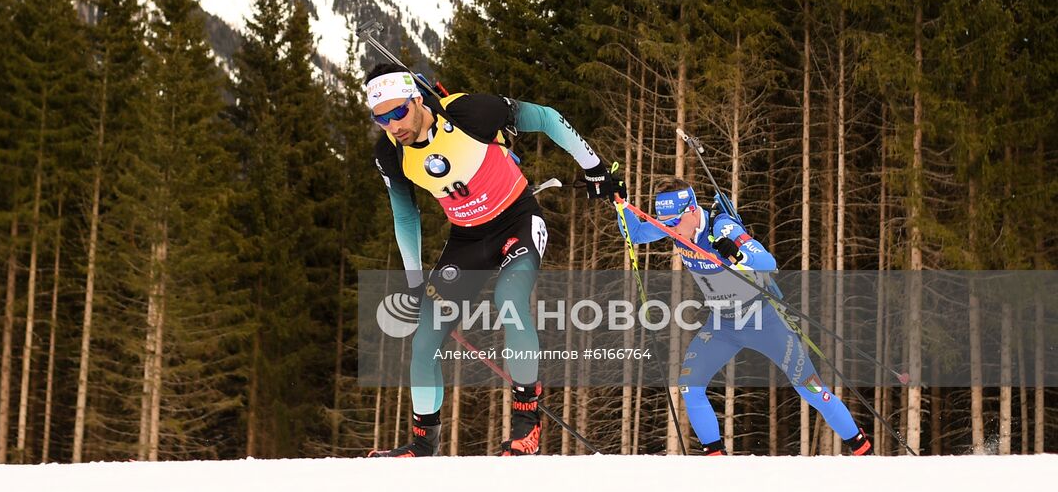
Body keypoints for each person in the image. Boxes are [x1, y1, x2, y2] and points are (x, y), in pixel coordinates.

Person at [363, 63, 622, 457]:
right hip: (467, 239)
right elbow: (405, 215)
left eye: (398, 112)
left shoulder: (467, 112)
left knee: (510, 300)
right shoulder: (389, 153)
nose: (393, 125)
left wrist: (594, 167)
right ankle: (421, 444)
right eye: (381, 118)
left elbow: (547, 118)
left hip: (517, 218)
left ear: (416, 99)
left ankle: (526, 426)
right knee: (424, 340)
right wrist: (415, 282)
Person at [610, 177, 873, 456]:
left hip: (763, 319)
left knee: (809, 387)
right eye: (666, 225)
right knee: (690, 386)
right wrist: (620, 204)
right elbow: (634, 234)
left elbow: (768, 263)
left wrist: (737, 254)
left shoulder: (722, 228)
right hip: (723, 324)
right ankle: (716, 462)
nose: (670, 231)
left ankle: (861, 448)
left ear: (690, 210)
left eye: (673, 224)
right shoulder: (675, 226)